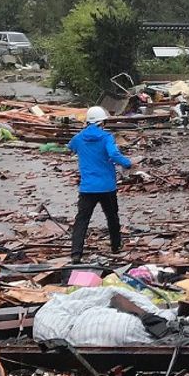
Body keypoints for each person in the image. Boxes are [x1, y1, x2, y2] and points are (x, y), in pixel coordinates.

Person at [68, 106, 133, 262]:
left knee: (81, 220)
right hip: (106, 186)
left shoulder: (78, 138)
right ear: (102, 122)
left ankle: (76, 253)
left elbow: (70, 148)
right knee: (112, 217)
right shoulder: (106, 137)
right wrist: (127, 163)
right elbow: (113, 154)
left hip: (87, 187)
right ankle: (116, 246)